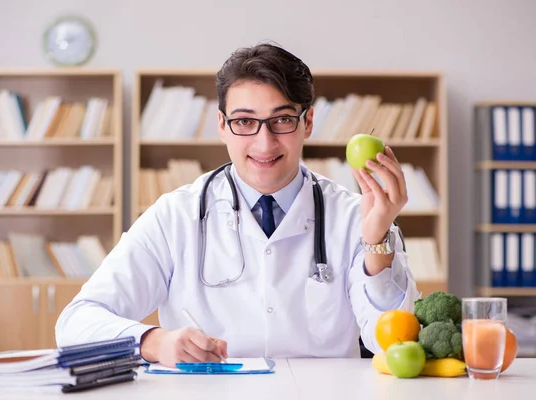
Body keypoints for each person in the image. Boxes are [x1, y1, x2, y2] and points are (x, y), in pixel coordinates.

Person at [55, 42, 420, 368]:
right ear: (222, 125)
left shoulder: (358, 216)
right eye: (245, 121)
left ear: (307, 122)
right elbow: (76, 322)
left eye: (281, 120)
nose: (264, 143)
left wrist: (376, 241)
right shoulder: (175, 216)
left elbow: (392, 342)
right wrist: (154, 341)